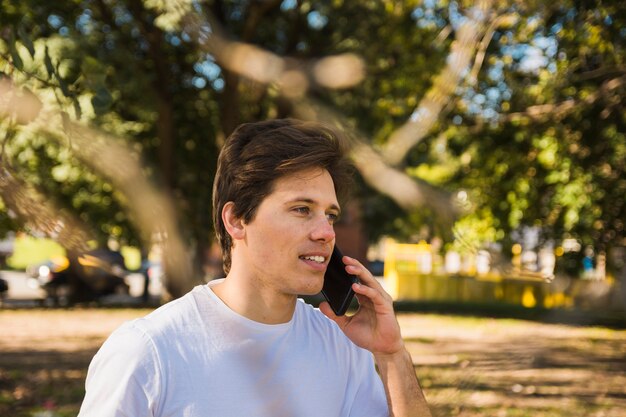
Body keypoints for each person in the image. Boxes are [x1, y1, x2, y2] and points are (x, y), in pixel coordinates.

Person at [78, 119, 432, 417]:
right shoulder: (148, 352)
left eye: (331, 215)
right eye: (301, 209)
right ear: (236, 221)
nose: (326, 233)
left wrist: (392, 356)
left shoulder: (343, 348)